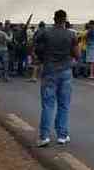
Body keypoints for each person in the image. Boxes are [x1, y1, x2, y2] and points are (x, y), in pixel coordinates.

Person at [36, 9, 79, 147]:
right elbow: (77, 54)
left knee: (48, 105)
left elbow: (37, 50)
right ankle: (62, 135)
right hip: (66, 71)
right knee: (64, 105)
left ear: (54, 19)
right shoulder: (71, 35)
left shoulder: (45, 33)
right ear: (65, 20)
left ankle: (44, 137)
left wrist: (43, 59)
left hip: (49, 71)